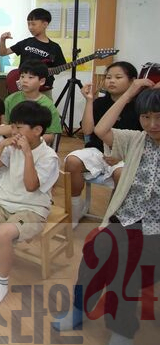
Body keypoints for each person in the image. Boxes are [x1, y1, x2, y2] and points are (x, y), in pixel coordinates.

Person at [53, 81, 159, 345]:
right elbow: (101, 130)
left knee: (126, 267)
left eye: (159, 117)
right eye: (146, 117)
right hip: (126, 218)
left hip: (156, 229)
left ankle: (122, 329)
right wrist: (130, 93)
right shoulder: (137, 140)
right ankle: (79, 308)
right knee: (95, 251)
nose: (152, 124)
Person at [0, 101, 59, 305]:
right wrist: (1, 144)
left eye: (18, 127)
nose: (13, 132)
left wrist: (27, 154)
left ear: (37, 130)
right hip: (4, 205)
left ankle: (1, 282)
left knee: (3, 233)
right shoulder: (12, 147)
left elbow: (31, 186)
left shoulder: (48, 157)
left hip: (32, 210)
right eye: (13, 126)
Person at [65, 61, 142, 227]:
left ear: (132, 81)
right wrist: (89, 101)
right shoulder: (99, 103)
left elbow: (142, 140)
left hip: (126, 156)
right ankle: (75, 210)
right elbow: (87, 130)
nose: (111, 81)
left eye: (118, 77)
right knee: (72, 161)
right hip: (98, 151)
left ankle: (112, 218)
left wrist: (122, 156)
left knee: (121, 173)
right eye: (108, 77)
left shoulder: (140, 106)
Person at [0, 7, 67, 90]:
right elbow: (3, 53)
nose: (30, 27)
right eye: (28, 24)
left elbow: (59, 68)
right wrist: (2, 40)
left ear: (45, 24)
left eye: (33, 24)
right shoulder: (26, 42)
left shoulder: (54, 47)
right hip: (23, 87)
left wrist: (44, 70)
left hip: (43, 89)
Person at [3, 61, 62, 145]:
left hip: (36, 146)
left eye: (30, 77)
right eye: (22, 76)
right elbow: (4, 124)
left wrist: (30, 141)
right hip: (12, 144)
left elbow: (50, 136)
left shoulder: (48, 105)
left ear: (41, 81)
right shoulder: (10, 99)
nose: (24, 80)